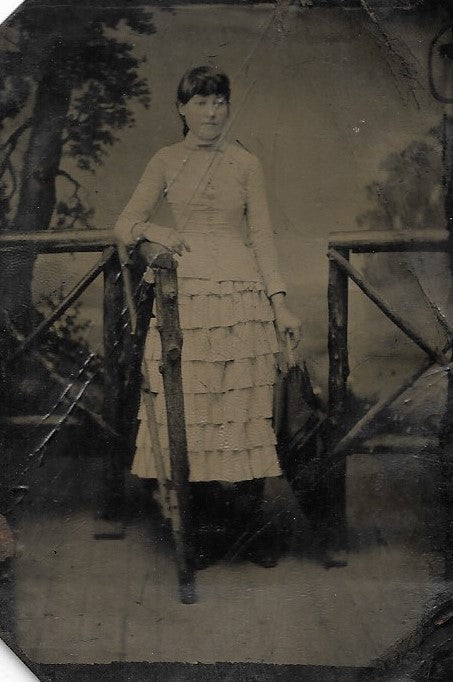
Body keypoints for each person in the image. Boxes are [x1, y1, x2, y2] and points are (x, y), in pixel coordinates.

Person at [114, 65, 301, 568]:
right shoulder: (165, 160)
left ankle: (247, 530)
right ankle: (193, 534)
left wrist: (278, 300)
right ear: (182, 109)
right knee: (192, 410)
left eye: (219, 101)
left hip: (242, 297)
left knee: (242, 407)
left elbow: (261, 235)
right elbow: (126, 222)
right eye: (200, 102)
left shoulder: (245, 162)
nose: (211, 111)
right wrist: (157, 229)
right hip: (187, 297)